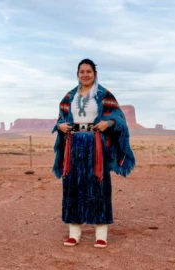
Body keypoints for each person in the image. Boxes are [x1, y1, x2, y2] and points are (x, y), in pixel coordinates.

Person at [52, 58, 135, 248]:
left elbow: (118, 118)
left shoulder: (104, 94)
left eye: (89, 71)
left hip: (96, 144)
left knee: (98, 184)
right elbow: (60, 120)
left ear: (94, 74)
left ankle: (101, 235)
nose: (85, 75)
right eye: (82, 71)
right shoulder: (69, 97)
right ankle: (74, 233)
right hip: (73, 144)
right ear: (77, 74)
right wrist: (60, 126)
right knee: (72, 184)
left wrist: (109, 123)